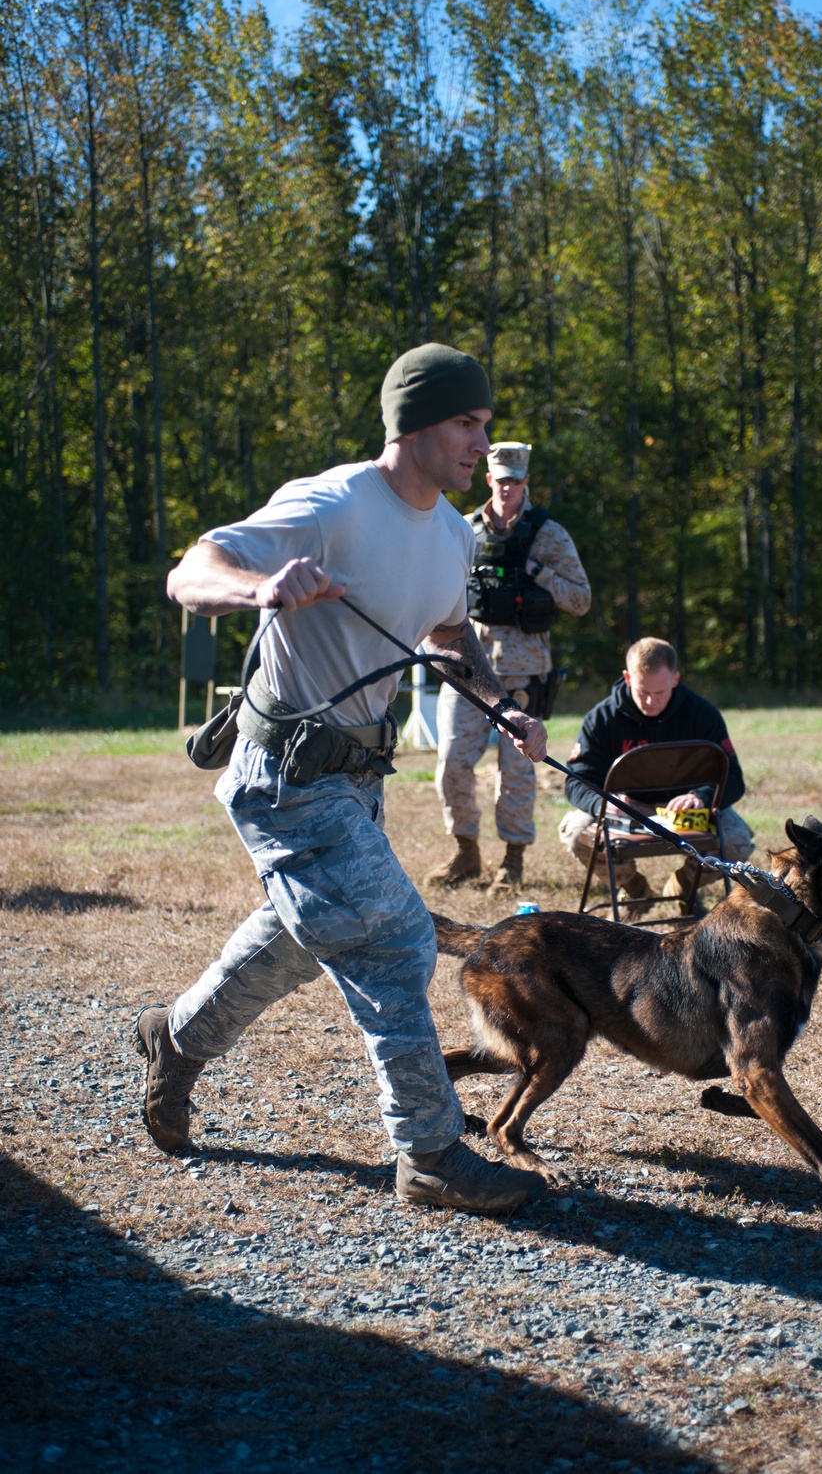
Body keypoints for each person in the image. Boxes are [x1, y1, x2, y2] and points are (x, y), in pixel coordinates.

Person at [137, 343, 549, 1214]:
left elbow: (445, 633)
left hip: (356, 780)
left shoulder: (450, 531)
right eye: (466, 423)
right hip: (284, 777)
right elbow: (189, 573)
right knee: (394, 936)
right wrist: (262, 588)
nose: (483, 442)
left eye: (484, 423)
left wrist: (499, 702)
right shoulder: (332, 502)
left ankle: (173, 1041)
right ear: (413, 423)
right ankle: (431, 1151)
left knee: (293, 943)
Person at [428, 440, 590, 895]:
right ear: (489, 481)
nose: (508, 490)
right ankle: (466, 851)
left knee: (516, 774)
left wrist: (541, 574)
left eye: (516, 482)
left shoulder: (549, 535)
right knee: (451, 765)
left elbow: (581, 600)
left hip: (523, 674)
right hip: (466, 669)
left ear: (526, 482)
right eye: (501, 481)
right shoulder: (462, 529)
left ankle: (512, 861)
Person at [558, 637, 754, 919]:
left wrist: (701, 795)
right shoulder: (601, 718)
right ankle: (635, 889)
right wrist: (603, 801)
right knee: (577, 833)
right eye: (642, 692)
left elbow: (733, 778)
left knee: (737, 840)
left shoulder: (702, 714)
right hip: (626, 809)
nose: (650, 701)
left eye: (659, 692)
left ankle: (685, 885)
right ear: (627, 677)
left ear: (675, 678)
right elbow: (576, 780)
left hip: (687, 811)